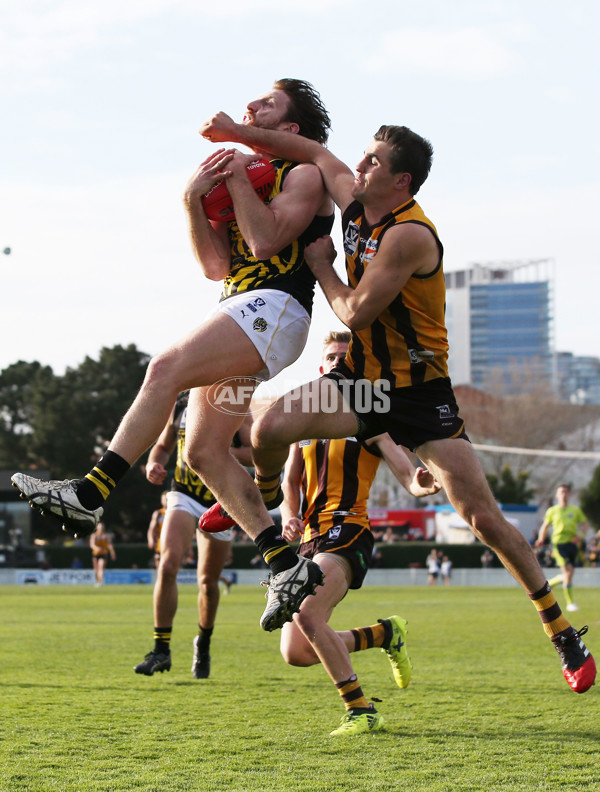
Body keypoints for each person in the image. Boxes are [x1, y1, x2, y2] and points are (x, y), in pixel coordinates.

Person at [195, 114, 596, 694]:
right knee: (270, 426)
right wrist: (237, 132)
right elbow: (308, 146)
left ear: (401, 181)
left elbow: (355, 312)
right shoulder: (355, 197)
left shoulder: (410, 234)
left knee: (485, 521)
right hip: (363, 381)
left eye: (373, 162)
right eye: (362, 158)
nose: (359, 167)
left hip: (416, 396)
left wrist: (322, 266)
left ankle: (561, 631)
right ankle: (259, 497)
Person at [11, 78, 335, 632]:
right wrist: (192, 198)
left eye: (267, 104)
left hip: (276, 309)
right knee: (206, 454)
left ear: (290, 129)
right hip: (243, 307)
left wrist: (235, 179)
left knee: (164, 368)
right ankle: (286, 565)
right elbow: (216, 266)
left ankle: (91, 491)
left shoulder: (302, 174)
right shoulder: (242, 173)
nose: (251, 105)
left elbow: (263, 245)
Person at [277, 330, 440, 736]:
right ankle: (385, 633)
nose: (336, 364)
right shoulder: (305, 420)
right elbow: (289, 484)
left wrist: (420, 483)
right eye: (330, 358)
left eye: (343, 359)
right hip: (310, 538)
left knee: (307, 612)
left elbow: (404, 469)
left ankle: (361, 710)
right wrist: (289, 516)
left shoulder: (368, 416)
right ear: (321, 368)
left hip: (349, 529)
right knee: (296, 651)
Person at [134, 391, 250, 678]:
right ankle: (161, 650)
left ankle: (204, 642)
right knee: (167, 564)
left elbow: (256, 451)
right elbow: (162, 446)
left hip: (221, 499)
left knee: (208, 583)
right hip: (183, 493)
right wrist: (153, 464)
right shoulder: (181, 405)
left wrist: (214, 452)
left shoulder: (235, 402)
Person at [535, 484, 589, 613]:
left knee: (568, 574)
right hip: (559, 544)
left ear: (569, 494)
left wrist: (580, 536)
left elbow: (585, 524)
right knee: (568, 572)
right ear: (557, 495)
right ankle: (570, 603)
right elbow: (545, 526)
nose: (563, 494)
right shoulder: (552, 511)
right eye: (561, 492)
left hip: (572, 545)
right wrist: (541, 538)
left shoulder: (575, 510)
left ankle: (550, 584)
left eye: (565, 492)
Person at [90, 522, 116, 587]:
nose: (100, 529)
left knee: (101, 567)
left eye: (101, 527)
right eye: (99, 527)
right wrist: (97, 548)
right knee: (96, 569)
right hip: (95, 554)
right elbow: (92, 545)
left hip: (104, 553)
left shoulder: (106, 535)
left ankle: (100, 582)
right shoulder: (94, 535)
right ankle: (97, 581)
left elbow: (109, 545)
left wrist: (112, 553)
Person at [147, 491, 168, 568]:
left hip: (172, 540)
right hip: (160, 540)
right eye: (164, 499)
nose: (166, 501)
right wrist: (150, 540)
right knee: (158, 558)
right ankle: (160, 576)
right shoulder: (158, 513)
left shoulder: (176, 513)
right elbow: (151, 529)